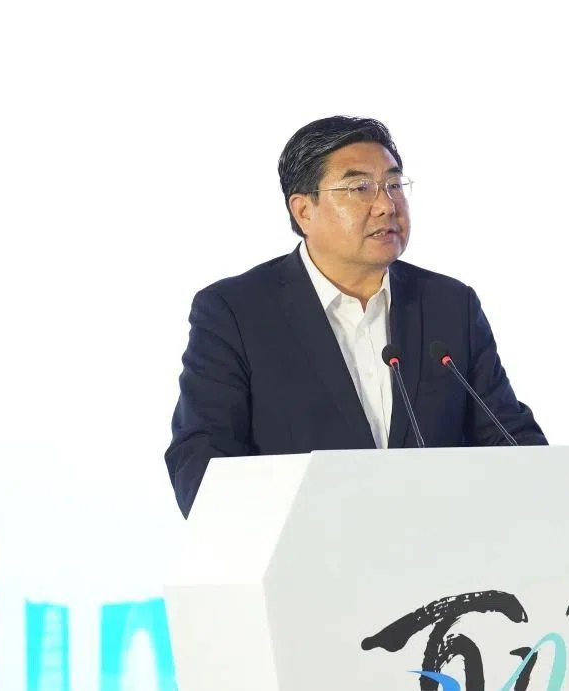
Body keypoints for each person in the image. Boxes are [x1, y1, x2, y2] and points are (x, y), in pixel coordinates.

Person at [164, 116, 546, 517]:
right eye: (359, 188)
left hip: (442, 544)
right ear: (304, 210)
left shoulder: (449, 305)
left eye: (394, 186)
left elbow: (508, 438)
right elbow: (203, 460)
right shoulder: (236, 312)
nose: (386, 206)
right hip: (307, 548)